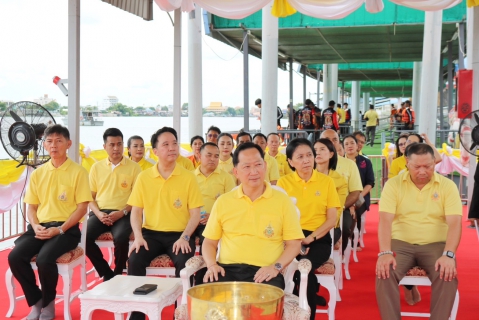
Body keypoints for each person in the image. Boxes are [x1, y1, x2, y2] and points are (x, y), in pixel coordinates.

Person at [8, 125, 92, 320]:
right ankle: (37, 301)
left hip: (66, 229)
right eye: (49, 141)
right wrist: (35, 225)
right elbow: (31, 207)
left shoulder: (78, 172)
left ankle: (48, 305)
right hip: (40, 227)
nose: (53, 145)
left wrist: (60, 229)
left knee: (45, 259)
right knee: (15, 257)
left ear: (68, 144)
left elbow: (82, 208)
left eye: (58, 141)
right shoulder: (38, 173)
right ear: (44, 144)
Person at [376, 143, 462, 320]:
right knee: (384, 272)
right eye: (417, 166)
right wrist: (384, 252)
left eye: (428, 166)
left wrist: (449, 254)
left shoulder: (447, 186)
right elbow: (385, 220)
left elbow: (455, 223)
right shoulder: (393, 185)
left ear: (434, 163)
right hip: (400, 244)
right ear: (407, 163)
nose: (423, 171)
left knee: (447, 274)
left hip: (436, 245)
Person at [202, 142, 303, 290]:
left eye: (258, 165)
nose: (254, 171)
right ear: (235, 172)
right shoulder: (223, 201)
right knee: (208, 297)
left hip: (266, 272)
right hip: (227, 269)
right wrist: (212, 265)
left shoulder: (282, 201)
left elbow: (294, 244)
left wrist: (275, 267)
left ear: (265, 166)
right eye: (247, 167)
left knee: (264, 305)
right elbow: (209, 242)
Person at [127, 127, 204, 320]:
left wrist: (185, 237)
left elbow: (195, 214)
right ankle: (137, 314)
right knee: (135, 259)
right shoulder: (144, 177)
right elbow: (136, 211)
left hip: (179, 234)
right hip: (151, 233)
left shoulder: (188, 177)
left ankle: (180, 313)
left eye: (175, 143)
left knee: (184, 263)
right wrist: (138, 237)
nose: (172, 148)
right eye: (166, 144)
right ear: (155, 151)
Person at [277, 138, 340, 319]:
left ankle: (305, 314)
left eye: (309, 155)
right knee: (294, 273)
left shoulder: (326, 182)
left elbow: (332, 219)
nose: (306, 160)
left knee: (304, 269)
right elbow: (279, 216)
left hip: (318, 237)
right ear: (290, 161)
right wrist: (295, 239)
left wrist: (311, 238)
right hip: (291, 237)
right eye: (300, 157)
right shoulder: (283, 183)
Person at [86, 128, 141, 281]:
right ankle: (106, 273)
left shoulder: (134, 168)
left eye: (119, 144)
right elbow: (90, 197)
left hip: (124, 213)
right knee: (83, 237)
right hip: (100, 213)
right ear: (105, 147)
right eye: (112, 145)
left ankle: (118, 273)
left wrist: (122, 212)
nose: (116, 148)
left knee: (121, 238)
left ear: (124, 145)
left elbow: (137, 198)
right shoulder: (96, 168)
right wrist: (98, 213)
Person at [193, 142, 236, 284]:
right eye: (209, 155)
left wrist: (213, 216)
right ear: (199, 156)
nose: (213, 159)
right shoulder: (190, 177)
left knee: (208, 240)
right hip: (189, 221)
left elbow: (232, 205)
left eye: (216, 156)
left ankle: (207, 275)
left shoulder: (226, 178)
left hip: (213, 222)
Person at [320, 129, 362, 253]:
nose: (331, 143)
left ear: (339, 143)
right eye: (327, 140)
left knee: (345, 226)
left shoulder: (349, 164)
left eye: (335, 140)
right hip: (316, 207)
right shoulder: (311, 163)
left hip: (342, 206)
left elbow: (355, 192)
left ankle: (336, 253)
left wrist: (340, 206)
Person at [343, 135, 375, 251]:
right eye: (346, 144)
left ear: (357, 146)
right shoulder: (339, 161)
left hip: (361, 197)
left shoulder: (365, 162)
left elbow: (370, 182)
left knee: (356, 210)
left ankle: (352, 238)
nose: (349, 146)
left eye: (352, 143)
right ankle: (342, 239)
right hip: (343, 197)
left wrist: (358, 196)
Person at [314, 138, 348, 244]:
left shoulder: (339, 180)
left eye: (322, 149)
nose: (318, 152)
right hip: (307, 224)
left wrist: (324, 227)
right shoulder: (306, 177)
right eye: (315, 149)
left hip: (329, 227)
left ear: (331, 154)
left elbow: (337, 211)